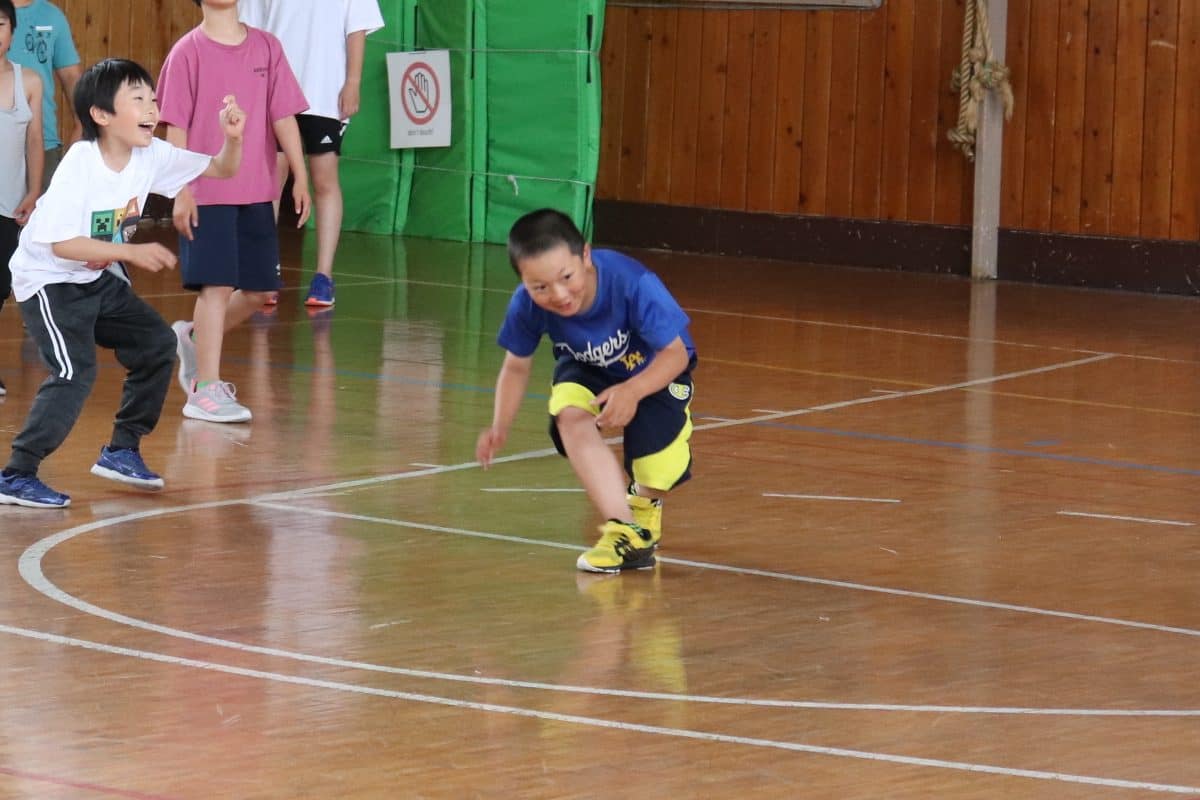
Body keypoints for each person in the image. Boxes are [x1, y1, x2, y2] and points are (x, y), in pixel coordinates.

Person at [0, 57, 246, 508]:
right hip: (50, 281)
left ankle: (121, 450)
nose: (152, 108)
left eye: (153, 98)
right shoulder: (81, 163)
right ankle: (16, 474)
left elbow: (221, 169)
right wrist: (130, 252)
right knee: (73, 372)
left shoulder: (152, 154)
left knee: (156, 344)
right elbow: (62, 244)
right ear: (101, 114)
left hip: (94, 275)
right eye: (138, 99)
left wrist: (232, 140)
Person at [476, 209, 698, 573]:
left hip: (654, 369)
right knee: (569, 416)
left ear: (585, 255)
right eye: (540, 287)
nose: (559, 295)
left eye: (566, 277)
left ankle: (644, 504)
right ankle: (626, 532)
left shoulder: (633, 283)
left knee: (657, 472)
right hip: (585, 367)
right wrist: (499, 425)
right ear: (523, 282)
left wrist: (632, 391)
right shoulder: (526, 304)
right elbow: (516, 366)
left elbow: (675, 354)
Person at [158, 0, 310, 423]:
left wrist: (300, 175)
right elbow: (175, 129)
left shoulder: (267, 47)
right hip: (206, 192)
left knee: (260, 291)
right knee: (217, 287)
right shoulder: (187, 52)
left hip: (257, 191)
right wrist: (180, 190)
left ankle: (194, 337)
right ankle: (204, 389)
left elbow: (283, 117)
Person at [238, 0, 384, 308]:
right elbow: (251, 31)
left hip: (325, 92)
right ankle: (265, 271)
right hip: (273, 91)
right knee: (271, 178)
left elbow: (356, 28)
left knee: (324, 179)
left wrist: (353, 82)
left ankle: (323, 276)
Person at [0, 0, 44, 398]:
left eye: (0, 24)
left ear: (12, 31)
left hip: (9, 205)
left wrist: (33, 192)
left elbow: (34, 140)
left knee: (2, 286)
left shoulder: (28, 80)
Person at [10, 0, 81, 188]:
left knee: (42, 205)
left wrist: (82, 124)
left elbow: (71, 76)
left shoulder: (52, 15)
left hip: (43, 143)